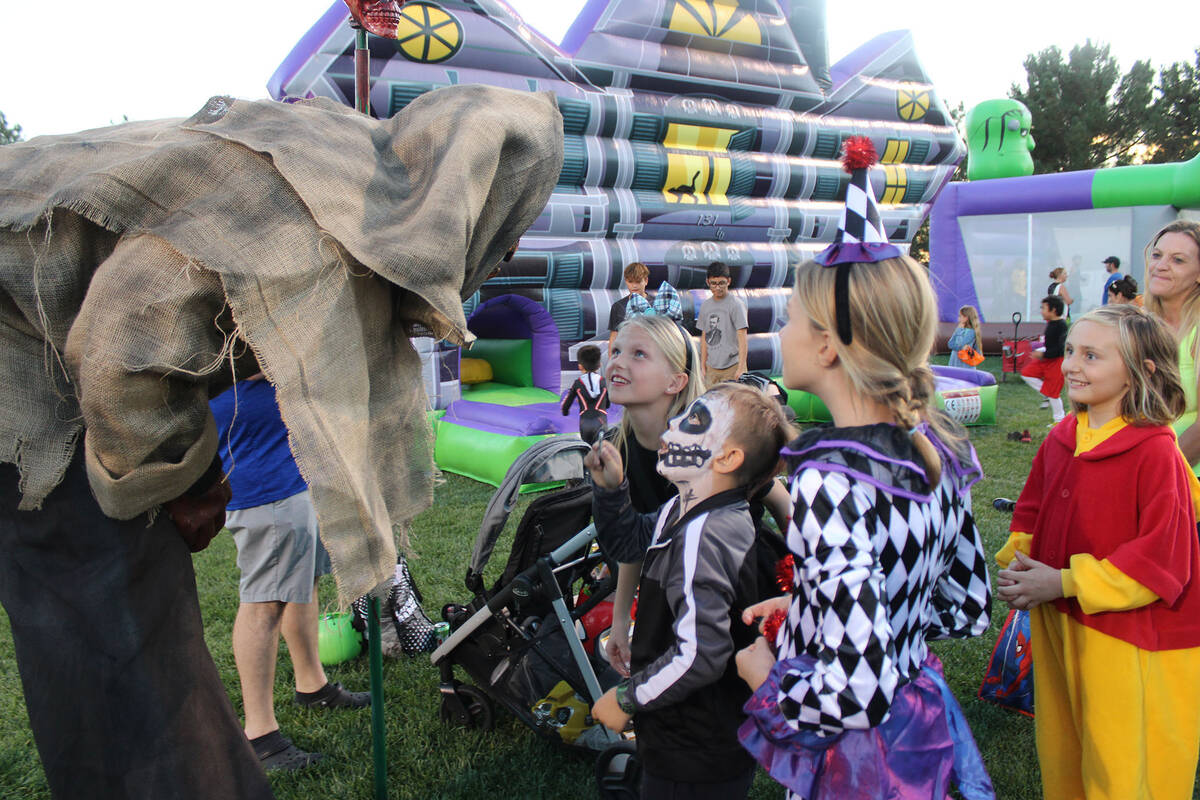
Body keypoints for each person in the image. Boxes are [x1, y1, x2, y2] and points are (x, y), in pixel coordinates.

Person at [0, 84, 562, 799]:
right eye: (509, 218)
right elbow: (122, 343)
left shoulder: (355, 183)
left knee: (147, 630)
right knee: (118, 647)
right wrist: (187, 482)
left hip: (62, 373)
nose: (509, 245)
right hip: (28, 388)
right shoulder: (317, 215)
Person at [732, 136, 994, 800]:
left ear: (826, 343)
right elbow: (966, 601)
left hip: (866, 759)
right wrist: (820, 605)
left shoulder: (830, 481)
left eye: (791, 318)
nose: (780, 331)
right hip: (923, 718)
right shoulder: (942, 443)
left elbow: (856, 688)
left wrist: (766, 674)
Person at [996, 304, 1200, 800]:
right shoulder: (1065, 435)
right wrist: (1020, 566)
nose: (1071, 366)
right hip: (1062, 622)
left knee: (1124, 765)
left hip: (1134, 640)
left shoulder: (1156, 451)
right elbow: (1031, 511)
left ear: (1139, 372)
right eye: (1070, 351)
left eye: (1092, 356)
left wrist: (1063, 582)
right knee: (1066, 750)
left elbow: (1161, 559)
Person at [587, 382, 794, 799]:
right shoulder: (684, 505)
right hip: (686, 732)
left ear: (727, 457)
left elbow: (701, 654)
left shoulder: (708, 533)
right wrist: (612, 491)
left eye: (694, 421)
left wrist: (627, 698)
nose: (674, 423)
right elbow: (631, 545)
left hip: (697, 745)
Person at [210, 377, 369, 772]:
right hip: (266, 484)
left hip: (291, 472)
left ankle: (312, 686)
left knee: (303, 585)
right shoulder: (226, 331)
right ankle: (260, 737)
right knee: (265, 604)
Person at [1144, 220, 1200, 473]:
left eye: (1178, 260)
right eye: (1157, 255)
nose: (1161, 266)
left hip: (1187, 482)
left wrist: (1160, 478)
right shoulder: (1135, 327)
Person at [698, 261, 749, 385]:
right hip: (711, 368)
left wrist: (741, 368)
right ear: (708, 282)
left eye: (722, 283)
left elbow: (742, 338)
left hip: (732, 367)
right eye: (713, 283)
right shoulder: (705, 305)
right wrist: (702, 366)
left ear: (729, 281)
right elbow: (705, 337)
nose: (717, 287)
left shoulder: (736, 305)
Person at [1020, 295, 1068, 424]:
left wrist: (1043, 354)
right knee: (1027, 373)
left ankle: (1059, 420)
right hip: (1046, 358)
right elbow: (1050, 345)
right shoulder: (1051, 324)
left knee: (1054, 393)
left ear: (1053, 310)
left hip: (1056, 362)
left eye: (1043, 308)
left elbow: (1060, 348)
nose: (1041, 311)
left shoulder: (1061, 325)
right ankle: (1046, 394)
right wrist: (1042, 351)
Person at [561, 343, 609, 445]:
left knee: (587, 449)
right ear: (600, 364)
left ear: (580, 366)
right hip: (601, 420)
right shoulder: (603, 382)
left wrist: (565, 412)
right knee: (602, 449)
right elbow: (607, 403)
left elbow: (567, 403)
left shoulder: (578, 383)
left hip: (585, 421)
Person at [607, 261, 651, 352]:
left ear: (646, 280)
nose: (634, 285)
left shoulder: (657, 304)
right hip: (627, 357)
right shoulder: (618, 307)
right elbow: (614, 338)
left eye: (638, 281)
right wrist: (613, 361)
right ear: (626, 281)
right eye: (630, 281)